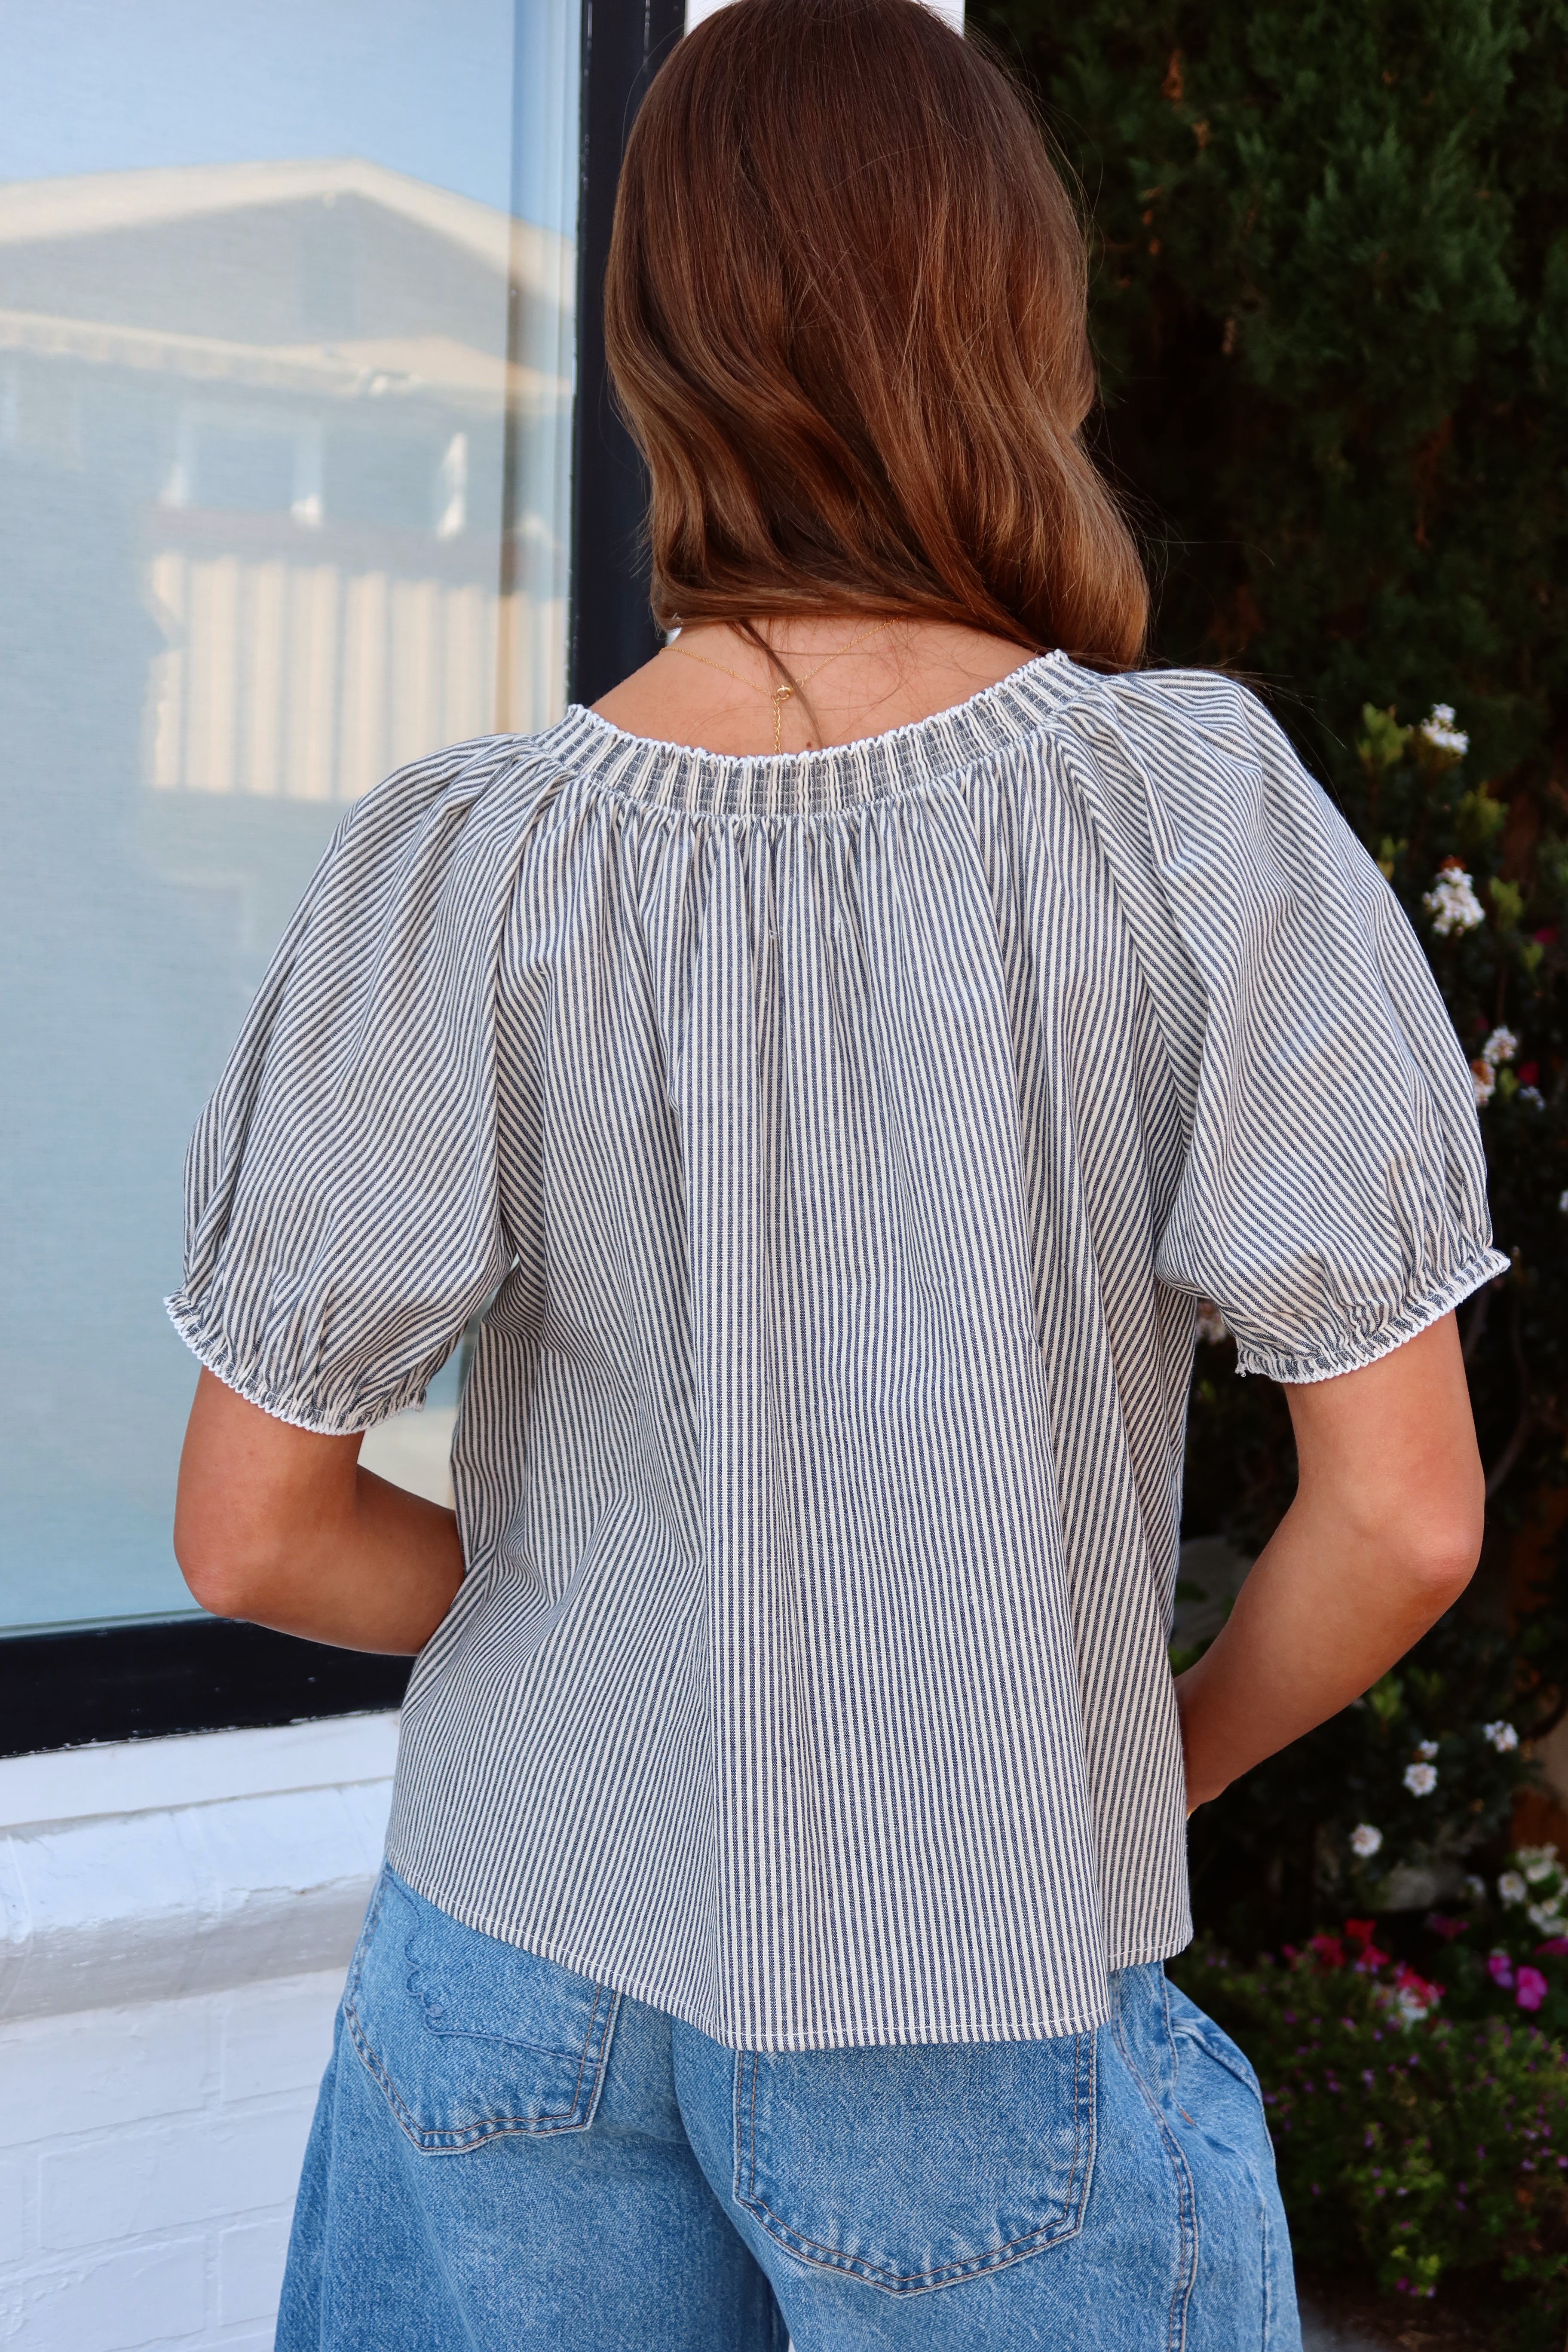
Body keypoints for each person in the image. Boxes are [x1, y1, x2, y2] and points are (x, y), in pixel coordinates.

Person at [169, 1, 1500, 2343]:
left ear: (655, 344)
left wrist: (614, 1633)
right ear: (1013, 322)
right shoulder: (1187, 823)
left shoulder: (466, 859)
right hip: (968, 1973)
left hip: (508, 1959)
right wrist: (1139, 1765)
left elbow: (252, 1528)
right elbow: (1403, 1519)